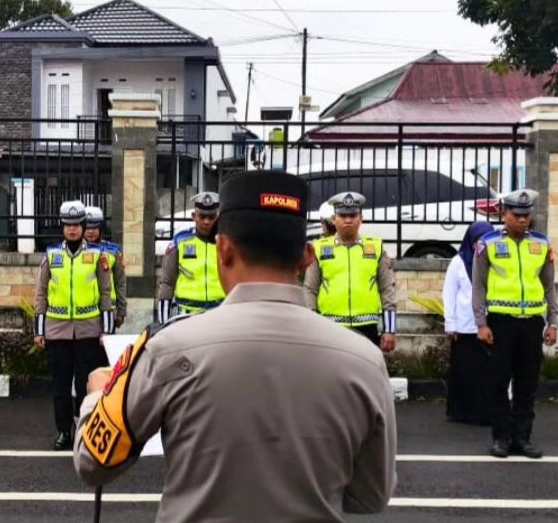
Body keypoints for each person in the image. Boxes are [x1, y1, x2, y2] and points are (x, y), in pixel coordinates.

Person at [74, 170, 397, 522]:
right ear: (307, 256)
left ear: (223, 249)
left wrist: (96, 396)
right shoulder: (364, 360)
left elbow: (95, 461)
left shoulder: (168, 348)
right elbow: (371, 496)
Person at [472, 189, 558, 459]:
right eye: (516, 215)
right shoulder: (488, 244)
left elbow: (548, 286)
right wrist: (480, 323)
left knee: (527, 383)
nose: (522, 220)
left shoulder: (541, 244)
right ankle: (502, 438)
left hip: (532, 322)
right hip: (501, 322)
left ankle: (523, 437)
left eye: (526, 215)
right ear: (504, 214)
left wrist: (552, 322)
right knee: (498, 382)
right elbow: (478, 287)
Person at [33, 200, 114, 451]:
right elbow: (41, 294)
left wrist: (106, 329)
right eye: (68, 225)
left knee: (84, 385)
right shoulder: (51, 255)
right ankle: (63, 431)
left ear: (82, 226)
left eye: (76, 225)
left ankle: (84, 429)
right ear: (63, 227)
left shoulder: (97, 256)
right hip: (57, 331)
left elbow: (105, 293)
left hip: (88, 331)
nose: (72, 230)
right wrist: (39, 329)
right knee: (60, 385)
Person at [304, 191, 397, 352]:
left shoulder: (375, 247)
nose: (348, 220)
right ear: (334, 219)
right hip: (330, 326)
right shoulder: (319, 248)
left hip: (366, 327)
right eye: (343, 216)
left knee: (366, 374)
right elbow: (310, 290)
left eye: (353, 215)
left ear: (361, 219)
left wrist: (390, 330)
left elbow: (387, 288)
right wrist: (311, 326)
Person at [443, 220, 495, 426]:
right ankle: (462, 412)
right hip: (464, 327)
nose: (481, 246)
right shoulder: (458, 263)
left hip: (487, 326)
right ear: (471, 241)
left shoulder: (496, 263)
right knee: (465, 372)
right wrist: (451, 324)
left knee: (487, 372)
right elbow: (449, 294)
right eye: (478, 241)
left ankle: (484, 412)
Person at [156, 192, 225, 323]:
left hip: (220, 314)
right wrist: (163, 323)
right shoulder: (180, 240)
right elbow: (167, 282)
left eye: (211, 217)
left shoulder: (227, 242)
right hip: (187, 316)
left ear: (218, 216)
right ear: (194, 216)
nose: (206, 221)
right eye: (202, 216)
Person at [84, 205, 127, 330]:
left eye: (94, 228)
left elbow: (120, 282)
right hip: (84, 314)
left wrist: (121, 311)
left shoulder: (113, 251)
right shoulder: (74, 252)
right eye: (87, 228)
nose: (90, 231)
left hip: (109, 312)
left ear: (101, 228)